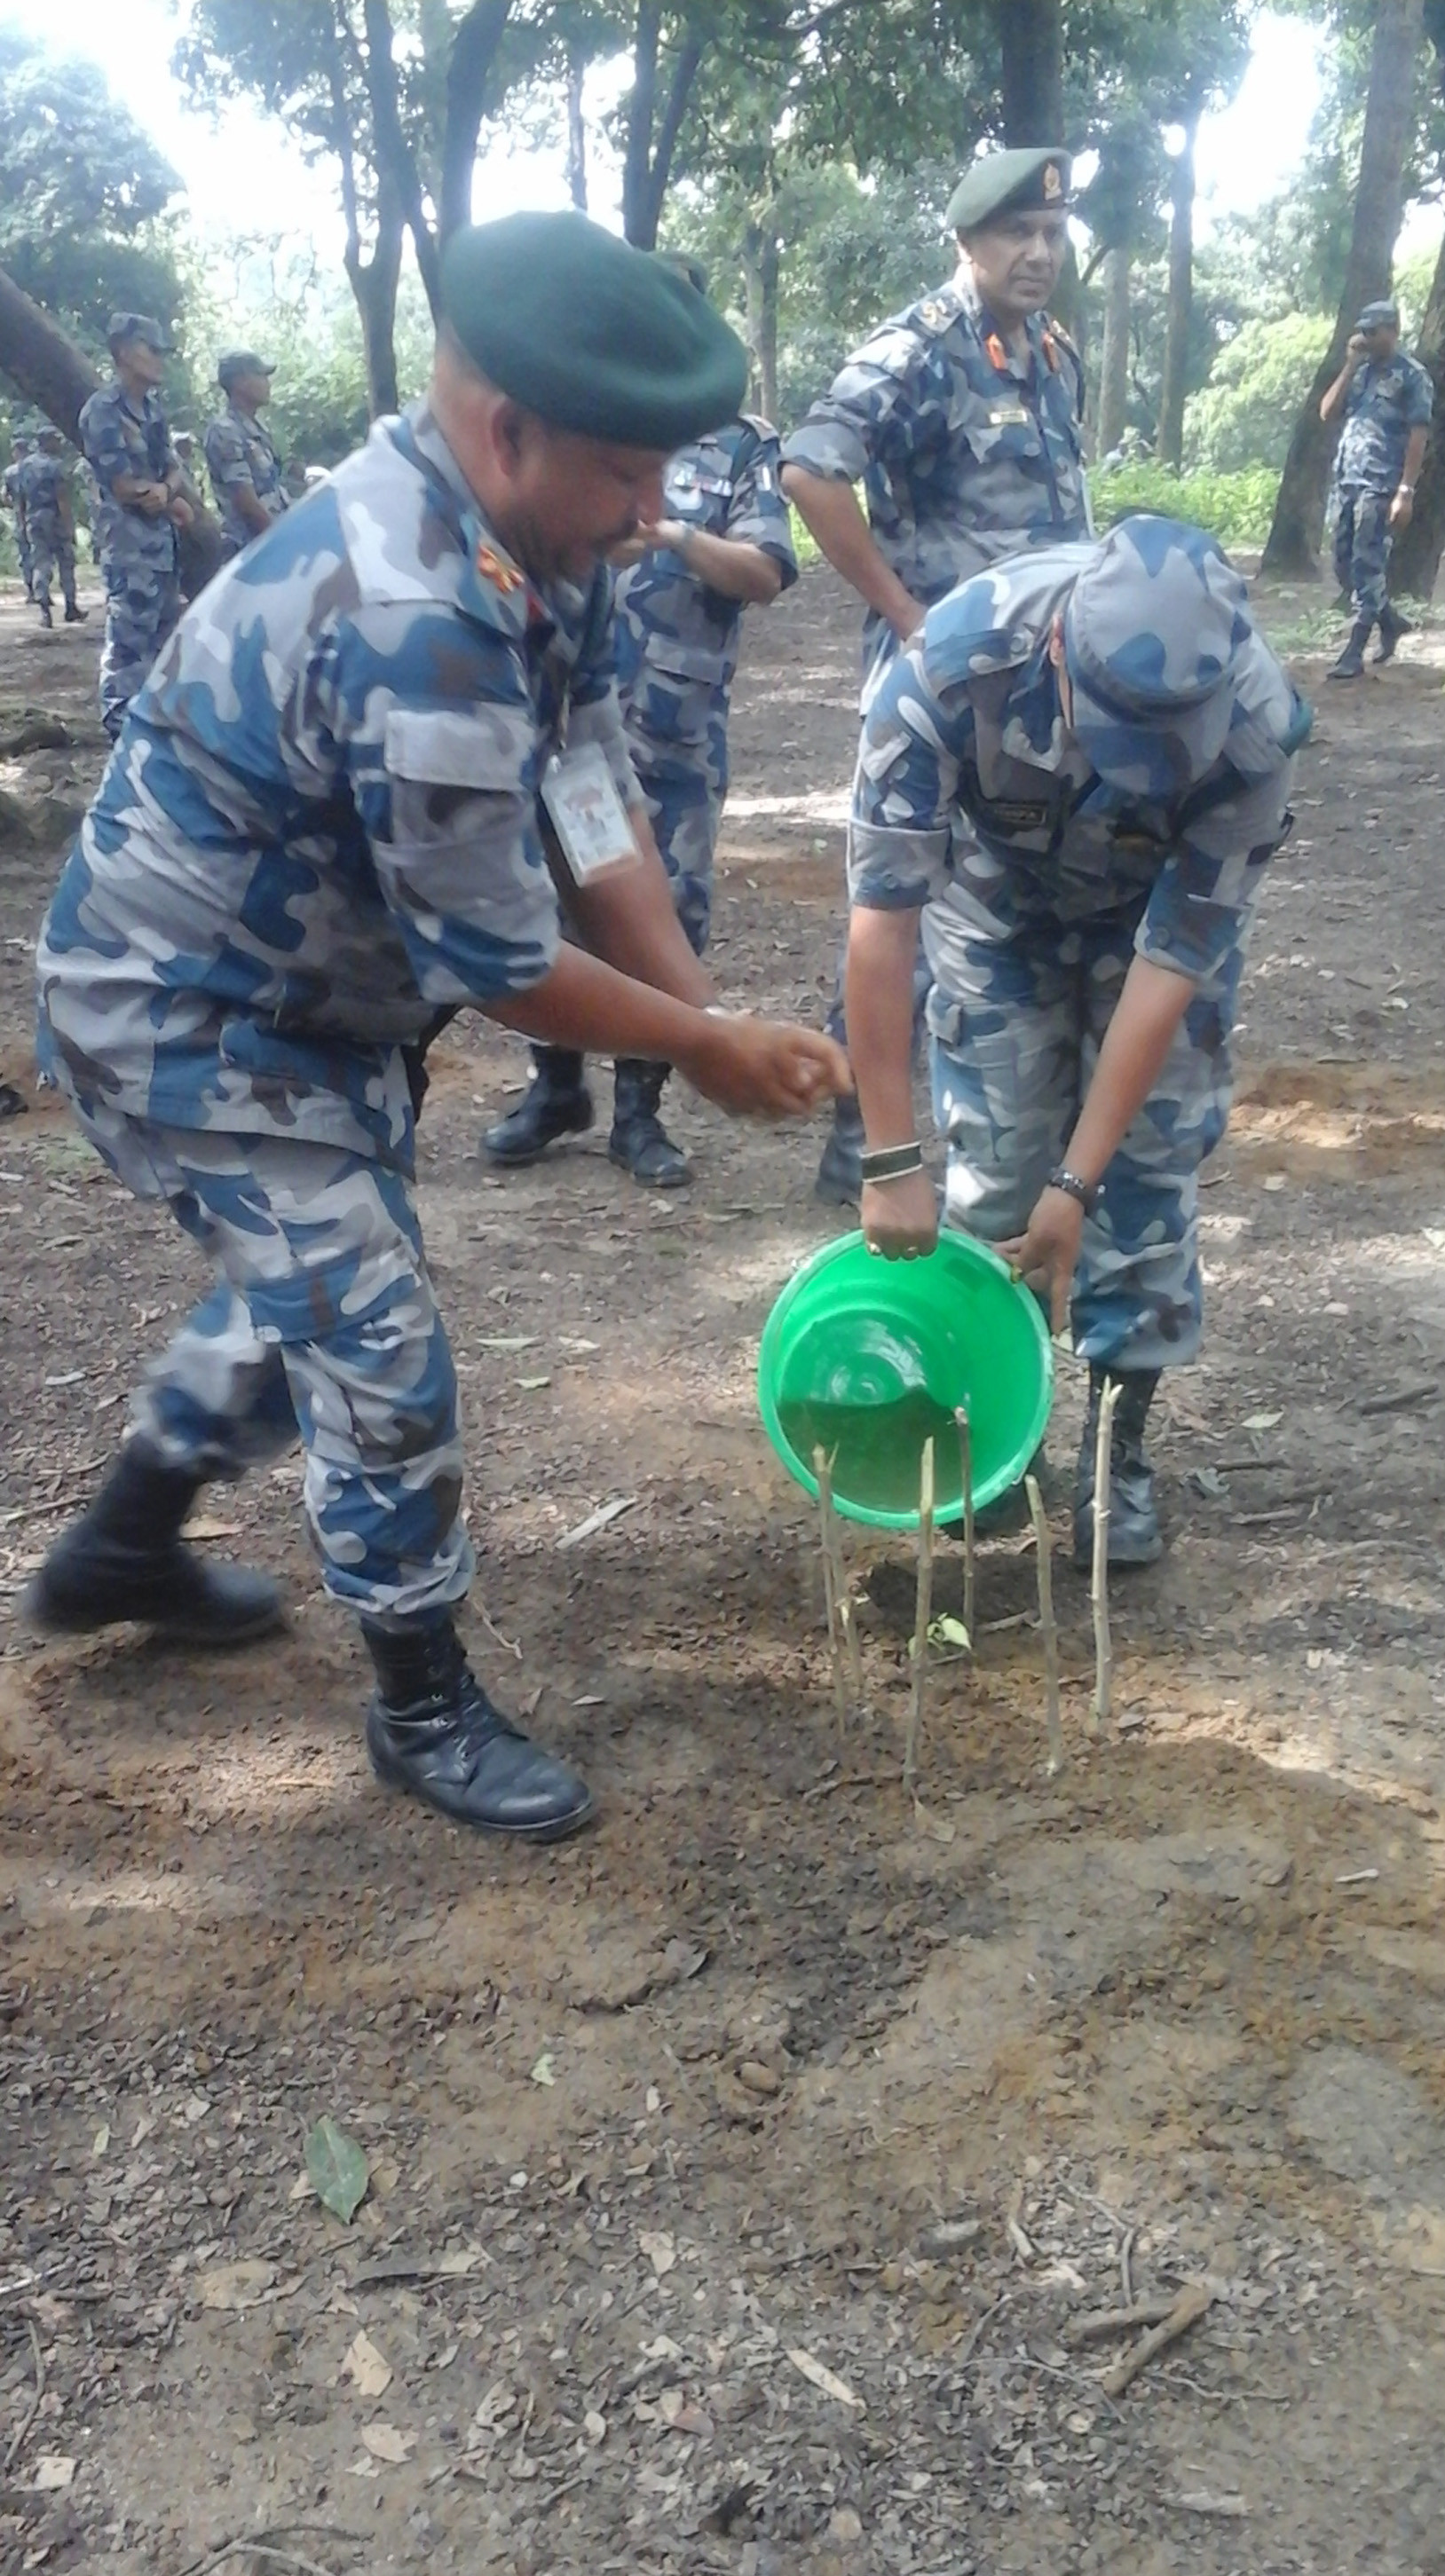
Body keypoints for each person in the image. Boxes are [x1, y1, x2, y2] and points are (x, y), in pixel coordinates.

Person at [30, 210, 849, 1845]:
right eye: (629, 475)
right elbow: (495, 954)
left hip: (307, 1005)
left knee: (316, 1280)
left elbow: (593, 794)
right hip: (179, 1008)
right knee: (376, 1333)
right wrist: (697, 1050)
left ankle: (123, 1543)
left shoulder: (549, 546)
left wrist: (700, 1010)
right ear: (504, 429)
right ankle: (421, 1700)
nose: (656, 516)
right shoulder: (424, 610)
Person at [843, 516, 1307, 1567]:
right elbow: (881, 934)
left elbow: (1171, 964)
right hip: (996, 902)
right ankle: (990, 1435)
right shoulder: (942, 676)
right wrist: (889, 1159)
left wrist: (1083, 1181)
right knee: (999, 1179)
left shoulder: (1257, 730)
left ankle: (1116, 1452)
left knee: (1144, 1163)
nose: (1142, 773)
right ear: (1057, 655)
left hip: (1149, 921)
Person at [783, 146, 1092, 1204]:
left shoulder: (1052, 353)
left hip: (1043, 695)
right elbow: (811, 470)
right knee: (902, 902)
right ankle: (858, 1129)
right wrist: (910, 618)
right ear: (968, 240)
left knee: (1005, 900)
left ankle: (998, 1117)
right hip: (942, 698)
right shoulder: (916, 350)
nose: (1039, 251)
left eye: (1052, 233)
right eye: (1018, 233)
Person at [483, 256, 798, 1190]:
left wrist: (673, 538)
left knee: (664, 906)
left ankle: (638, 1111)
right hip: (560, 736)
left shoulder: (740, 448)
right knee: (553, 901)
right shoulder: (557, 446)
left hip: (671, 732)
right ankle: (556, 1089)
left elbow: (769, 571)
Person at [78, 311, 200, 737]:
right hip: (129, 549)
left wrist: (165, 493)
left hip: (162, 548)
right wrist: (164, 496)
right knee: (129, 648)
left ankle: (154, 732)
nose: (161, 358)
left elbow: (174, 469)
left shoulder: (152, 411)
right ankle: (121, 735)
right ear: (125, 353)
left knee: (163, 642)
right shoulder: (103, 411)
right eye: (153, 349)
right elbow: (123, 485)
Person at [1320, 298, 1432, 681]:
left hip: (1380, 483)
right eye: (1363, 330)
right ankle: (1388, 619)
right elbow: (1327, 411)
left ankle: (1354, 649)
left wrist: (1406, 491)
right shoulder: (1361, 373)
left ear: (1392, 330)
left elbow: (1419, 435)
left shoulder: (1413, 376)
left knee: (1367, 562)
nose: (1366, 337)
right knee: (1341, 563)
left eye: (1373, 331)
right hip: (1347, 480)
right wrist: (1350, 364)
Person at [204, 350, 291, 558]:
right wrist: (283, 541)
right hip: (252, 549)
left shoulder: (257, 428)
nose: (267, 383)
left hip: (270, 540)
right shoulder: (225, 431)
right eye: (260, 375)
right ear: (240, 382)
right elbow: (245, 501)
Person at [18, 427, 87, 627]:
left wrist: (23, 523)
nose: (59, 444)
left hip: (34, 518)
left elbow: (20, 499)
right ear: (46, 441)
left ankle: (45, 611)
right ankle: (70, 607)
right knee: (66, 561)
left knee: (41, 562)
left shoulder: (24, 466)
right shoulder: (56, 466)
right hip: (54, 517)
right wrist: (69, 527)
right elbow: (62, 498)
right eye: (55, 440)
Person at [3, 430, 36, 603]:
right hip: (42, 515)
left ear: (16, 451)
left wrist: (15, 504)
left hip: (20, 517)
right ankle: (44, 591)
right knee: (41, 554)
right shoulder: (36, 467)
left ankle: (31, 592)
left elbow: (4, 497)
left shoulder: (10, 472)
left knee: (25, 554)